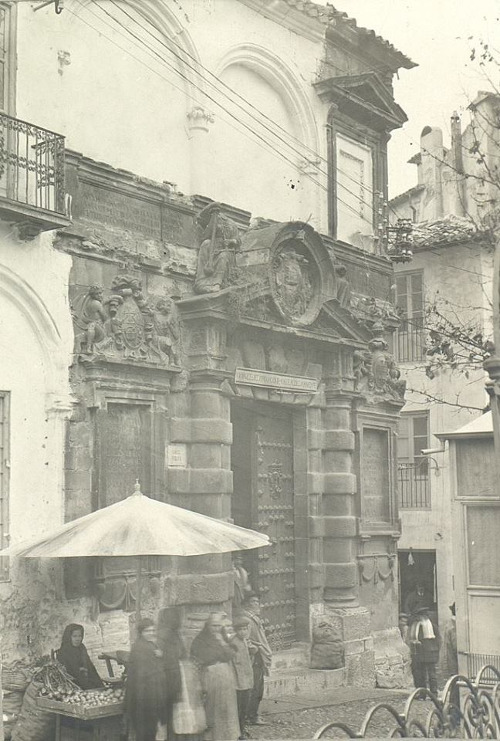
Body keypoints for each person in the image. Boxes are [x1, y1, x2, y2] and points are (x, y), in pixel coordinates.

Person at [190, 613, 240, 741]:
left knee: (227, 708)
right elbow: (202, 658)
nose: (216, 628)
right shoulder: (200, 640)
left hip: (225, 676)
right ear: (208, 625)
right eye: (213, 625)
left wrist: (223, 642)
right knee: (213, 709)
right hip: (210, 676)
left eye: (219, 626)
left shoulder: (223, 637)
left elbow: (231, 654)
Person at [125, 617, 167, 741]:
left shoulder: (150, 645)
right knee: (145, 731)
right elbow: (142, 674)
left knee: (149, 730)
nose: (151, 633)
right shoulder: (139, 648)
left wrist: (160, 656)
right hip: (143, 696)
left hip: (150, 695)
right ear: (141, 632)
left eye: (153, 630)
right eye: (147, 631)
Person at [241, 593, 272, 726]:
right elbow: (245, 639)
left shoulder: (254, 618)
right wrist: (255, 648)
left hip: (258, 656)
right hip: (254, 657)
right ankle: (251, 716)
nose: (257, 604)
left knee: (258, 687)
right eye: (254, 601)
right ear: (247, 604)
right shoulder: (246, 619)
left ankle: (252, 714)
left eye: (257, 601)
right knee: (255, 687)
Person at [157, 607, 185, 741]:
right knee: (169, 712)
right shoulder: (165, 635)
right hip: (167, 677)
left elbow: (182, 653)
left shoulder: (173, 634)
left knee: (170, 712)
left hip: (172, 675)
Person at [230, 615, 255, 740]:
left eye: (245, 629)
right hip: (238, 681)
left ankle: (242, 728)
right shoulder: (233, 643)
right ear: (235, 630)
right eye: (240, 629)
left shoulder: (245, 641)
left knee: (244, 707)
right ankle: (239, 732)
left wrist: (253, 649)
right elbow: (233, 663)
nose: (243, 632)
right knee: (239, 708)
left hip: (246, 679)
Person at [57, 624, 104, 690]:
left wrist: (99, 684)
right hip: (73, 681)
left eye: (80, 636)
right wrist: (80, 670)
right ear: (69, 637)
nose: (78, 639)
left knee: (98, 686)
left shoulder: (81, 647)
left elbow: (90, 666)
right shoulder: (65, 650)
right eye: (74, 636)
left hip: (84, 677)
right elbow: (69, 671)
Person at [407, 606, 440, 696]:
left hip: (425, 653)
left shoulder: (425, 626)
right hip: (423, 653)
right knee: (424, 675)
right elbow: (438, 640)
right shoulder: (419, 625)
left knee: (428, 675)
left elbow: (438, 640)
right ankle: (427, 693)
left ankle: (430, 693)